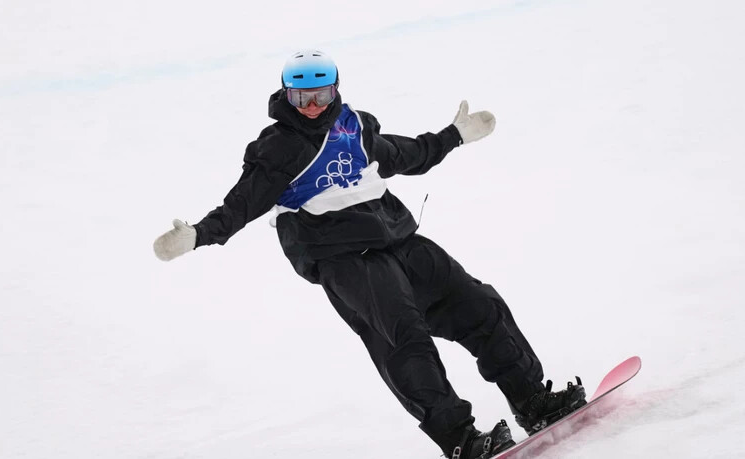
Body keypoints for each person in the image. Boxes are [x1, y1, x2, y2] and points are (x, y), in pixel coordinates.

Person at [153, 49, 587, 458]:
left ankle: (533, 401)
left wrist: (454, 135)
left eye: (320, 94)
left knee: (480, 306)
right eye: (300, 96)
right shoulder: (278, 148)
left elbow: (406, 155)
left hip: (400, 240)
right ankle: (460, 440)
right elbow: (242, 204)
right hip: (345, 260)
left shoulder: (354, 127)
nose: (311, 105)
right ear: (287, 94)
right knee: (405, 340)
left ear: (335, 89)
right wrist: (197, 235)